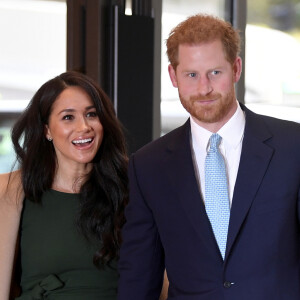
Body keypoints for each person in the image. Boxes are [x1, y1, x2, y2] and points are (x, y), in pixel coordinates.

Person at [118, 14, 300, 300]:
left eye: (215, 73)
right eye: (191, 75)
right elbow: (139, 275)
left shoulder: (293, 147)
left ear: (236, 68)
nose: (203, 88)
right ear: (173, 76)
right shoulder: (148, 166)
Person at [0, 71, 128, 300]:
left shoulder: (131, 186)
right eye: (68, 117)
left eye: (91, 114)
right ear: (47, 130)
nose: (83, 127)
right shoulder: (12, 189)